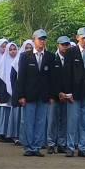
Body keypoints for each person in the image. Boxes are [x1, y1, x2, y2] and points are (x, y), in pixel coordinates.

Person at [14, 29, 56, 157]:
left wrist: (51, 95)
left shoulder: (49, 56)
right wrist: (20, 95)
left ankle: (37, 146)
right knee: (28, 121)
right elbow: (21, 77)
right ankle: (28, 146)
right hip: (29, 94)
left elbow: (52, 78)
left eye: (44, 39)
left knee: (40, 122)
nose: (42, 41)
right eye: (40, 39)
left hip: (43, 95)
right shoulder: (25, 56)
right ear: (34, 40)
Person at [62, 27, 85, 158]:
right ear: (77, 38)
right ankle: (70, 147)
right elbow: (67, 73)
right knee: (72, 121)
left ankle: (83, 147)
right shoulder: (70, 52)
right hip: (74, 93)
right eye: (83, 38)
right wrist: (68, 92)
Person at [46, 36, 70, 154]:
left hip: (67, 95)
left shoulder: (71, 59)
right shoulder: (52, 58)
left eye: (67, 44)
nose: (65, 47)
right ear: (58, 45)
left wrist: (67, 93)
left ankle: (62, 143)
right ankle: (50, 143)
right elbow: (51, 79)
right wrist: (58, 92)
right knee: (52, 121)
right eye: (63, 44)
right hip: (55, 95)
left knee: (64, 121)